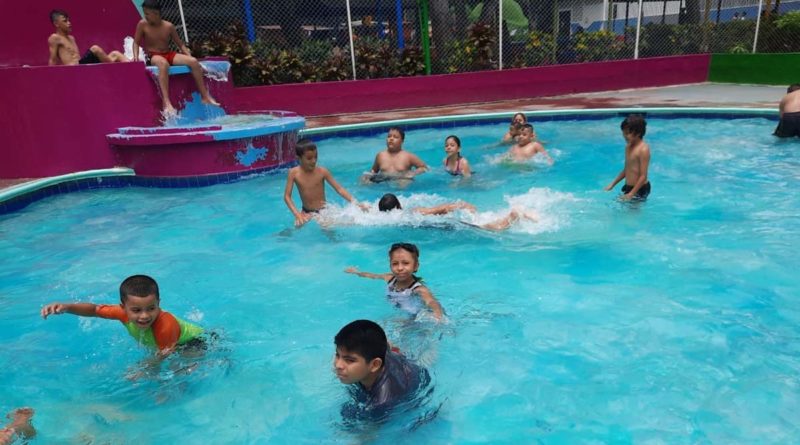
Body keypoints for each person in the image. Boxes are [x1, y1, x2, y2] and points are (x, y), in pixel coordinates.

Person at [40, 275, 205, 356]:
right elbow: (94, 310)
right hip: (170, 347)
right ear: (123, 308)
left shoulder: (165, 325)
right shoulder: (121, 314)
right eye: (136, 310)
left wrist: (143, 370)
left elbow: (163, 357)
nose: (145, 316)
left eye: (151, 308)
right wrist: (67, 307)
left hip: (197, 343)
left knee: (183, 372)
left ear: (159, 303)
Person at [133, 0, 219, 113]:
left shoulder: (169, 26)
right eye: (145, 13)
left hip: (168, 54)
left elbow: (181, 45)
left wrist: (189, 56)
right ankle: (166, 102)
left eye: (147, 14)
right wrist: (136, 57)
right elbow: (136, 42)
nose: (146, 16)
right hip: (154, 56)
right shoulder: (142, 24)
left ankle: (205, 97)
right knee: (163, 64)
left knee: (193, 61)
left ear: (156, 14)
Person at [334, 320, 430, 419]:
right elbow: (385, 343)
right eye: (337, 355)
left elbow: (369, 433)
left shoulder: (382, 402)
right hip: (396, 360)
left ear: (375, 365)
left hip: (415, 380)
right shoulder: (376, 350)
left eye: (349, 360)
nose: (338, 365)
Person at [345, 243, 444, 321]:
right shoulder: (390, 278)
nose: (400, 268)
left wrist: (437, 314)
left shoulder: (418, 289)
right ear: (390, 265)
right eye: (395, 264)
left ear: (416, 266)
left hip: (413, 319)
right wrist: (356, 272)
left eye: (405, 263)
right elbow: (372, 276)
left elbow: (431, 301)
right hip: (399, 314)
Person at [284, 138, 368, 227]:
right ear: (298, 158)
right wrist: (297, 214)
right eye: (309, 158)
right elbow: (287, 196)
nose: (313, 161)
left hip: (323, 212)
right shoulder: (293, 173)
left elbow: (339, 189)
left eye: (315, 157)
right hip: (305, 212)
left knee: (329, 231)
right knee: (296, 228)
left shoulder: (322, 172)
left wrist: (356, 203)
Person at [376, 193, 537, 232]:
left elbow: (440, 209)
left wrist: (461, 205)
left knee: (490, 229)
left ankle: (514, 215)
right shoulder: (403, 216)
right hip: (452, 220)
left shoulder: (413, 213)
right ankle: (514, 215)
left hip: (456, 218)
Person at [47, 10, 128, 66]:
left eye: (69, 20)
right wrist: (50, 78)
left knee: (115, 54)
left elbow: (77, 58)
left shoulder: (71, 38)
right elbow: (53, 60)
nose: (69, 23)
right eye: (65, 21)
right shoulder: (55, 38)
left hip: (82, 66)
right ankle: (115, 69)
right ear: (56, 24)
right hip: (73, 70)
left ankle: (135, 68)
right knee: (95, 49)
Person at [604, 114, 652, 200]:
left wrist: (631, 194)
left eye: (627, 133)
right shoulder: (628, 147)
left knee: (633, 213)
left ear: (638, 133)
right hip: (629, 187)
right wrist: (612, 184)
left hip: (640, 188)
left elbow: (643, 176)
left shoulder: (643, 150)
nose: (625, 136)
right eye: (623, 133)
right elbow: (627, 169)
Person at [364, 127, 428, 182]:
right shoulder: (380, 155)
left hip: (402, 180)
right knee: (364, 179)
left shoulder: (408, 156)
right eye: (389, 136)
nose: (391, 139)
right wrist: (368, 176)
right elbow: (374, 171)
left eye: (395, 137)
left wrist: (412, 173)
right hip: (384, 181)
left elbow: (424, 168)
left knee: (403, 182)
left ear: (402, 141)